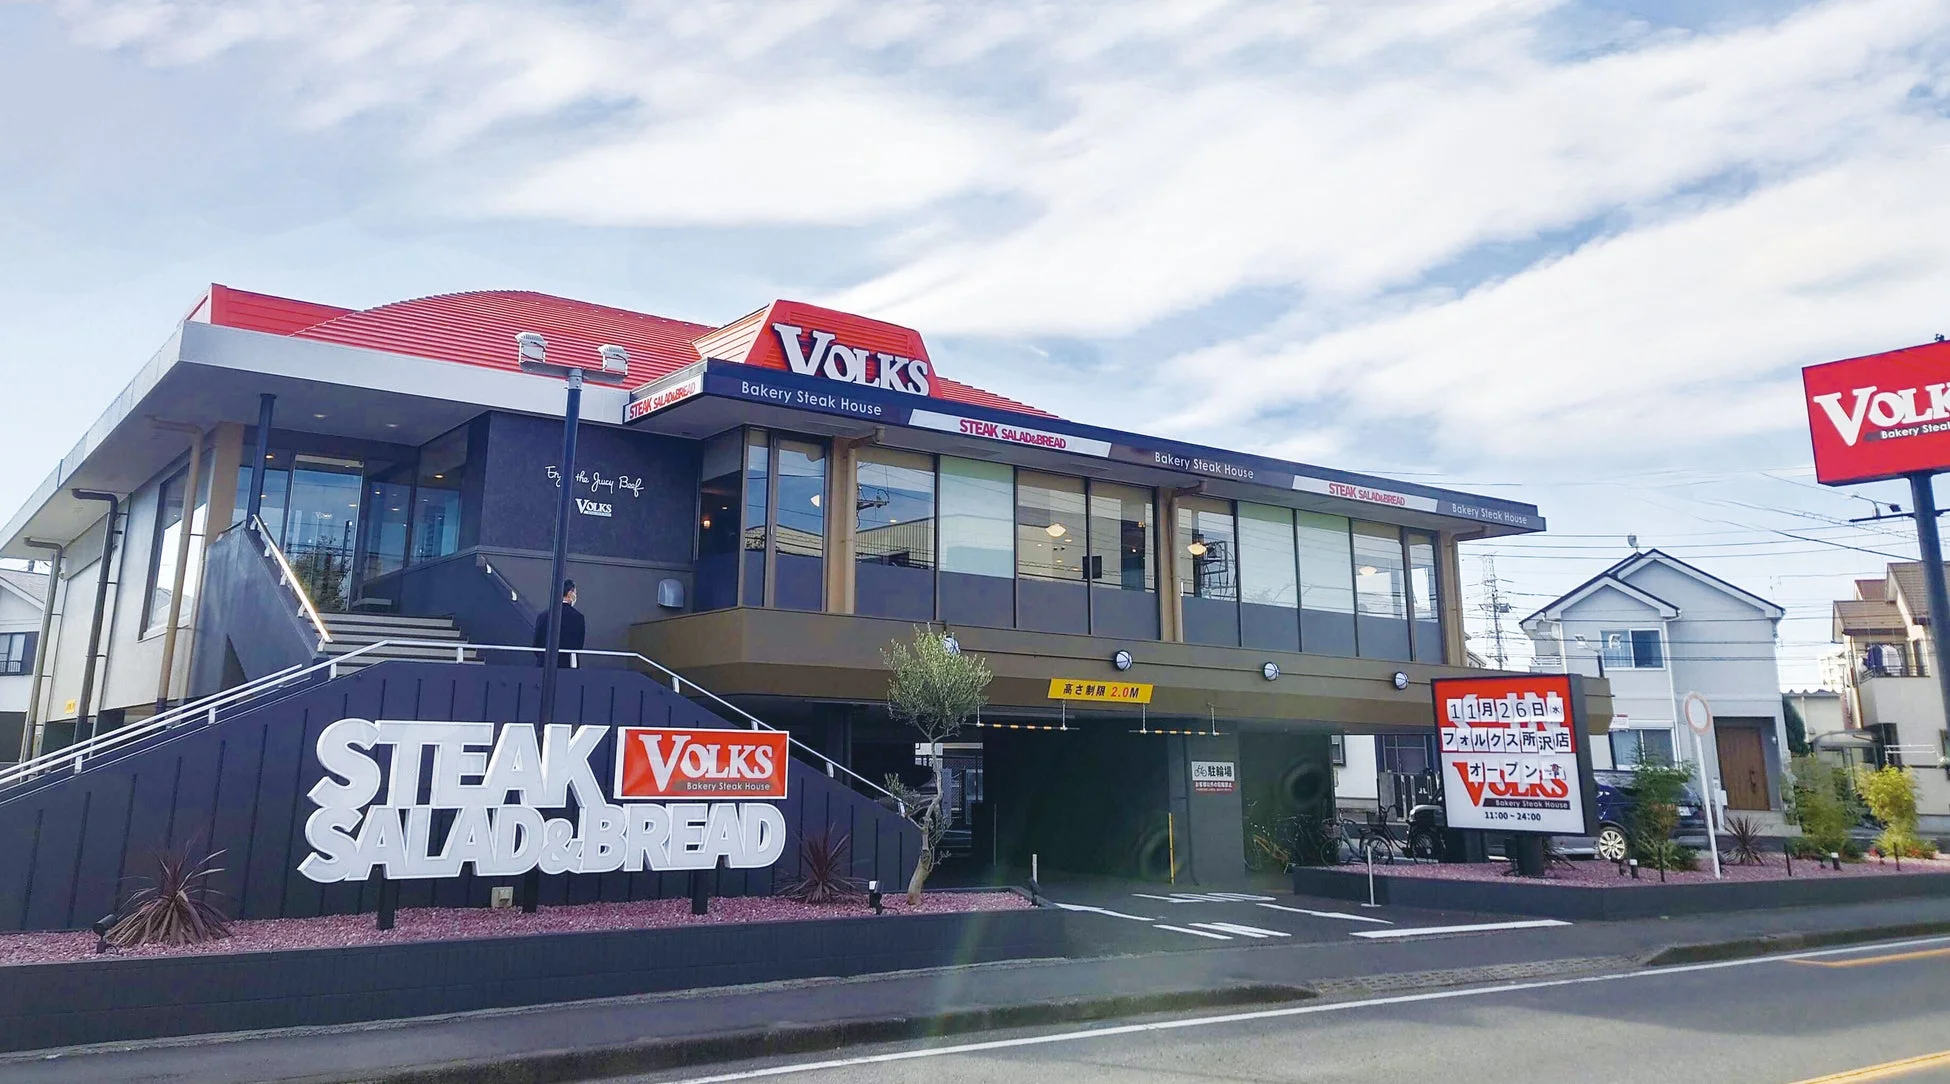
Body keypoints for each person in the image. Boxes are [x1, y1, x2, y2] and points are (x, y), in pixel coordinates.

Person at [532, 579, 586, 667]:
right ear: (570, 593)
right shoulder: (578, 618)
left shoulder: (543, 616)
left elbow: (536, 645)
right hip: (567, 665)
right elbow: (579, 646)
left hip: (544, 664)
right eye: (575, 593)